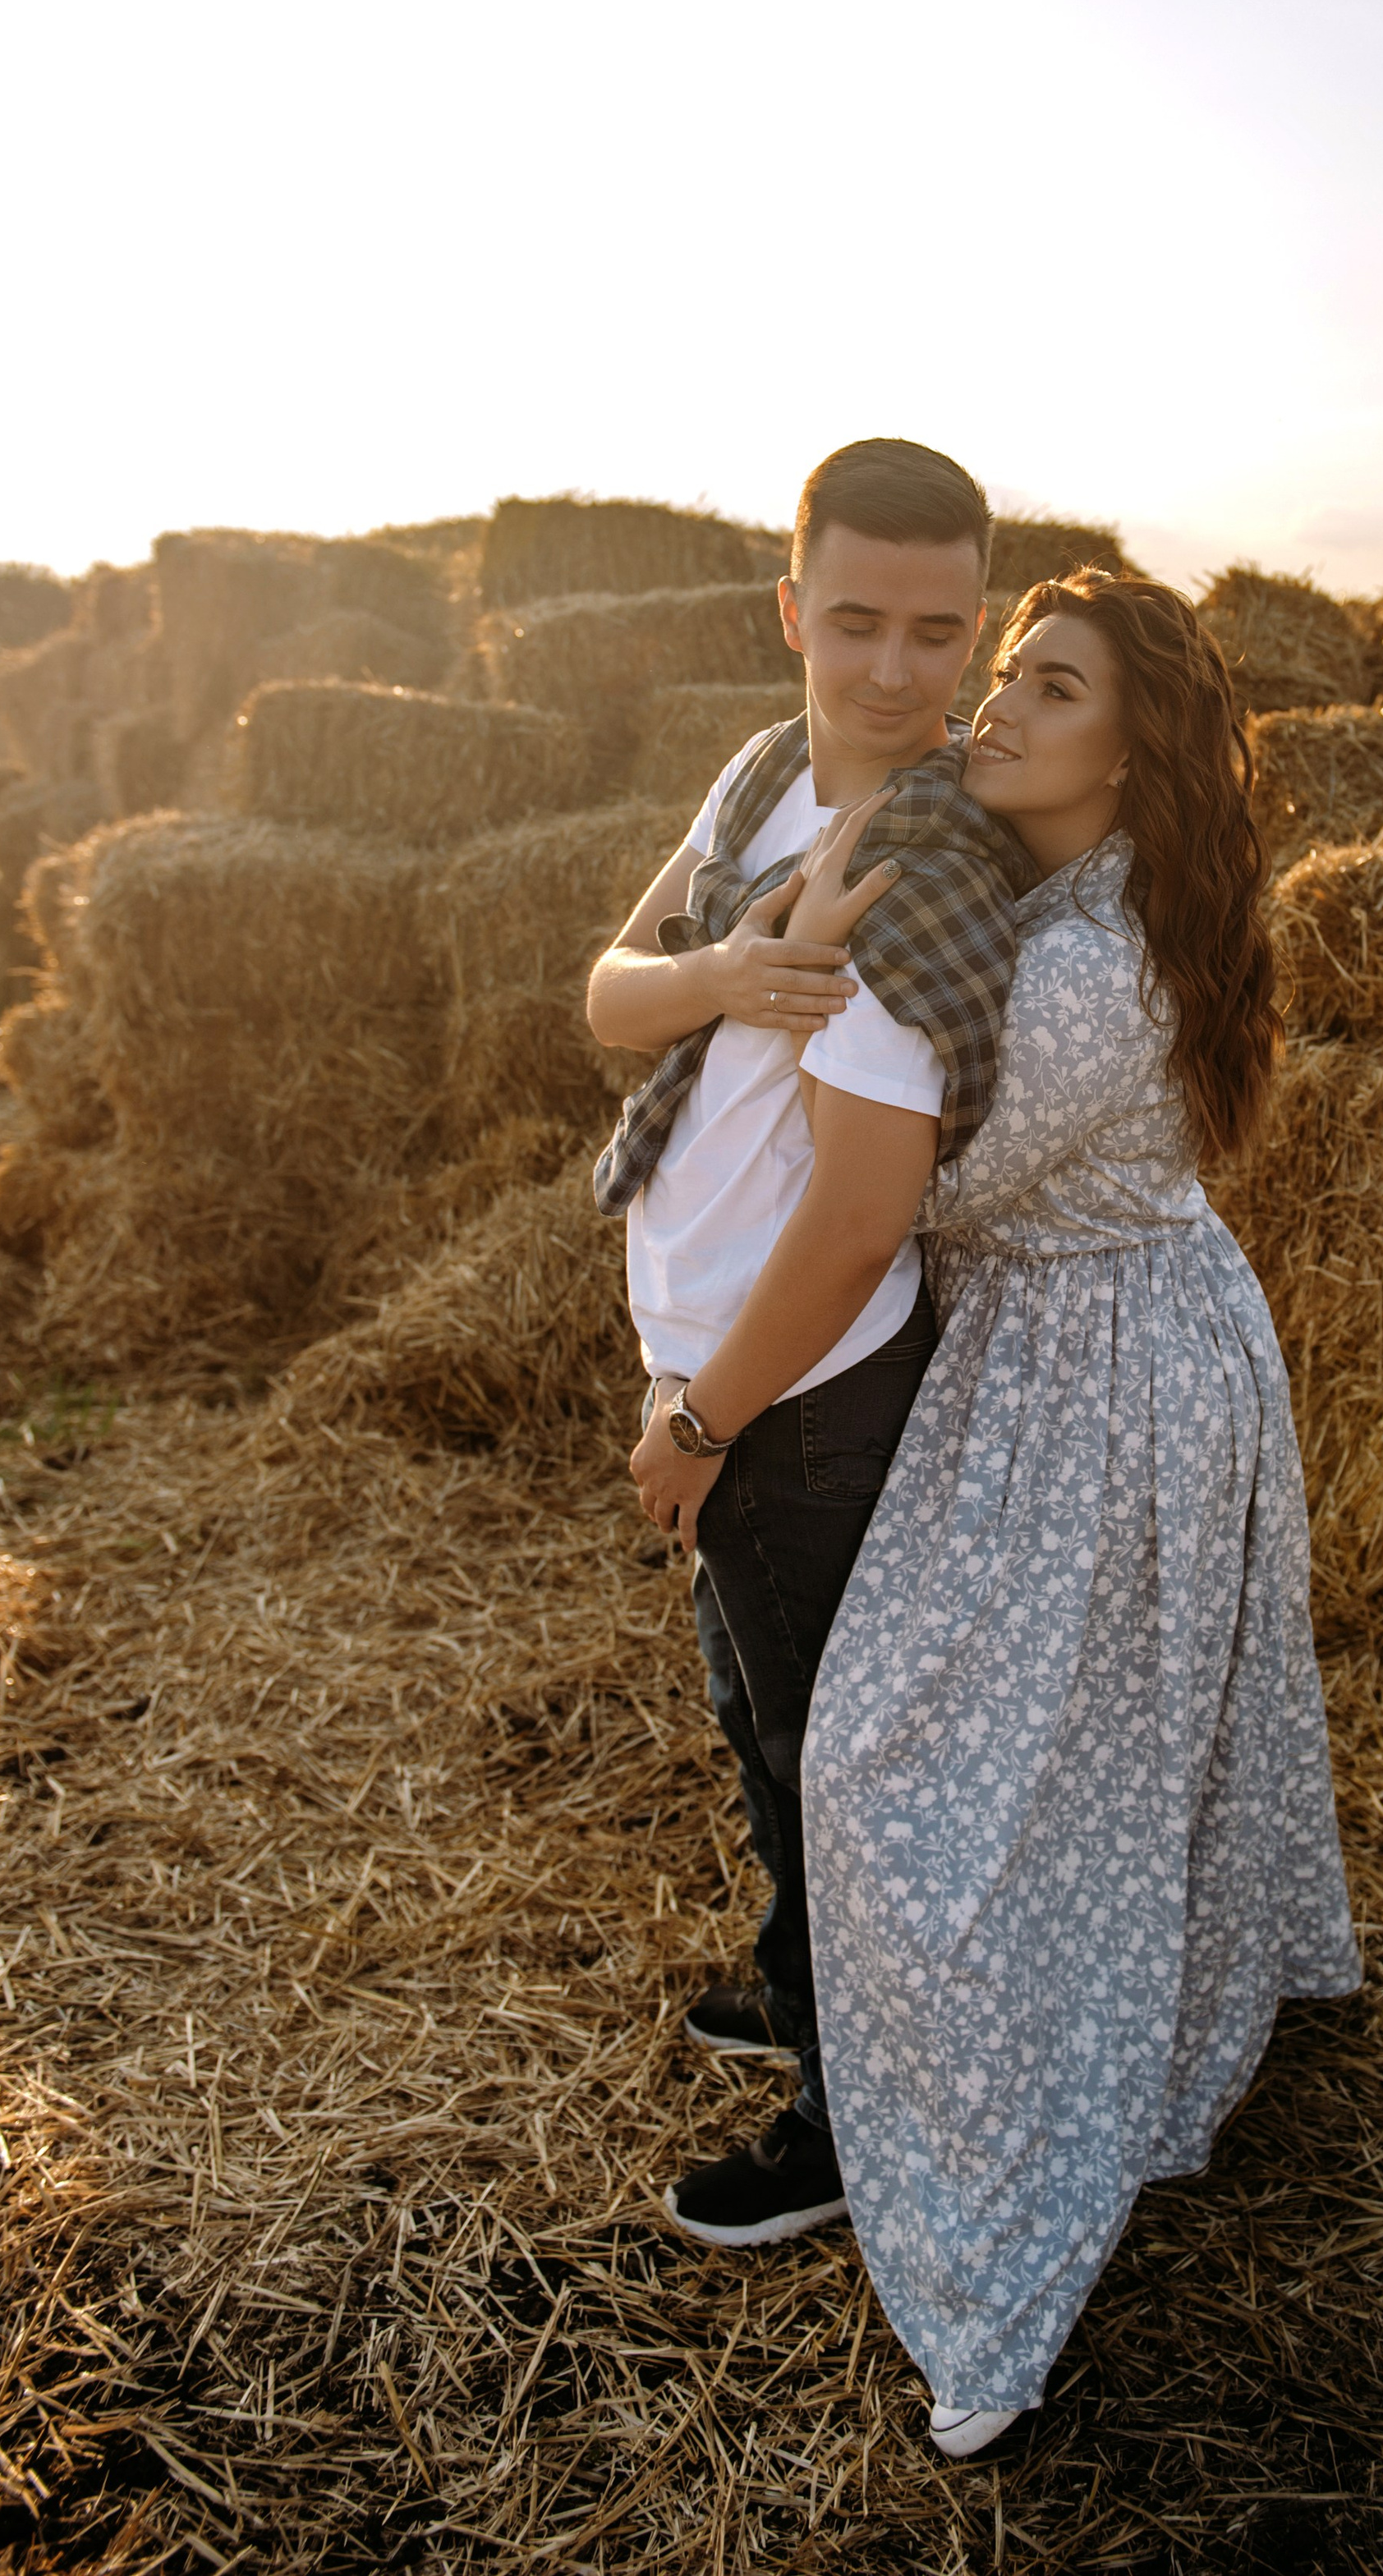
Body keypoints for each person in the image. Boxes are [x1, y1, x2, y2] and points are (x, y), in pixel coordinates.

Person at [795, 569, 1362, 2459]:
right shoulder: (1075, 902)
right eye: (1008, 677)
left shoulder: (1072, 969)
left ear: (1136, 746)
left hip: (1095, 1377)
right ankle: (1163, 2000)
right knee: (1130, 1737)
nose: (997, 710)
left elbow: (913, 1202)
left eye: (1051, 688)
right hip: (1139, 1338)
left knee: (916, 1765)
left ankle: (1018, 2179)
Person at [585, 435, 1033, 2247]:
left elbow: (860, 1216)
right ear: (789, 609)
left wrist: (701, 1422)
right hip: (703, 1345)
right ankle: (798, 1987)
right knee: (748, 1715)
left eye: (938, 632)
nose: (895, 671)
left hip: (798, 1385)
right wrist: (724, 972)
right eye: (854, 620)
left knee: (823, 1765)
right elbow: (609, 1000)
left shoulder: (926, 860)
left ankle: (850, 2126)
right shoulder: (761, 772)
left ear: (978, 629)